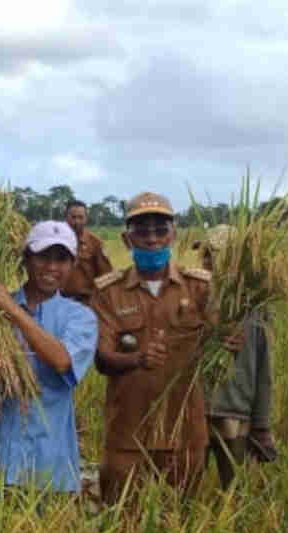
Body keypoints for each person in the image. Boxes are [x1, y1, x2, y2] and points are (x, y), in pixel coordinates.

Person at [0, 220, 97, 496]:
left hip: (48, 471)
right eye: (43, 256)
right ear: (26, 259)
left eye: (61, 259)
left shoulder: (80, 317)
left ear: (72, 265)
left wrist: (13, 311)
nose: (52, 267)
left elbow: (62, 361)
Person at [91, 192, 213, 503]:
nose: (152, 239)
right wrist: (136, 360)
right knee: (120, 517)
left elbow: (220, 345)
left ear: (174, 235)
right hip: (128, 431)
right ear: (127, 239)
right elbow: (102, 359)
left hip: (184, 429)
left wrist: (232, 341)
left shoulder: (200, 288)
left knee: (185, 518)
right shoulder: (109, 292)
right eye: (142, 231)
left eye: (160, 230)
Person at [198, 232, 276, 487]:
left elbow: (264, 369)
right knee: (187, 489)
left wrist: (262, 425)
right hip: (195, 410)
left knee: (233, 490)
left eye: (215, 255)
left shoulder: (255, 306)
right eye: (205, 255)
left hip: (235, 412)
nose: (208, 261)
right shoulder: (192, 298)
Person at [61, 200, 113, 304]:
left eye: (81, 217)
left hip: (85, 302)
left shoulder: (95, 243)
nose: (77, 221)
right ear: (66, 218)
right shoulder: (55, 241)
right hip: (58, 300)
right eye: (73, 217)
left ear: (86, 219)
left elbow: (106, 275)